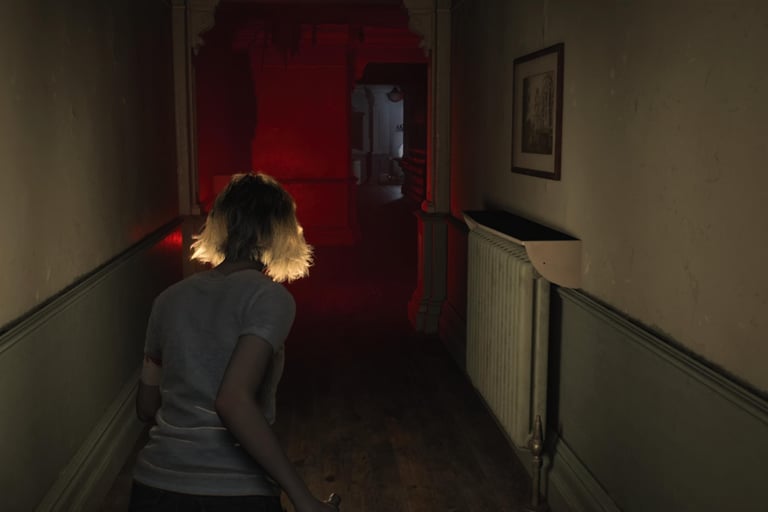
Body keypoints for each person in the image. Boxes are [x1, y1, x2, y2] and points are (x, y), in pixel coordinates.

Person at [129, 173, 337, 512]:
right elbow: (233, 400)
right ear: (279, 232)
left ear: (220, 227)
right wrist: (304, 499)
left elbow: (146, 406)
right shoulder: (269, 298)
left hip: (154, 485)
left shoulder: (168, 300)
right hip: (235, 492)